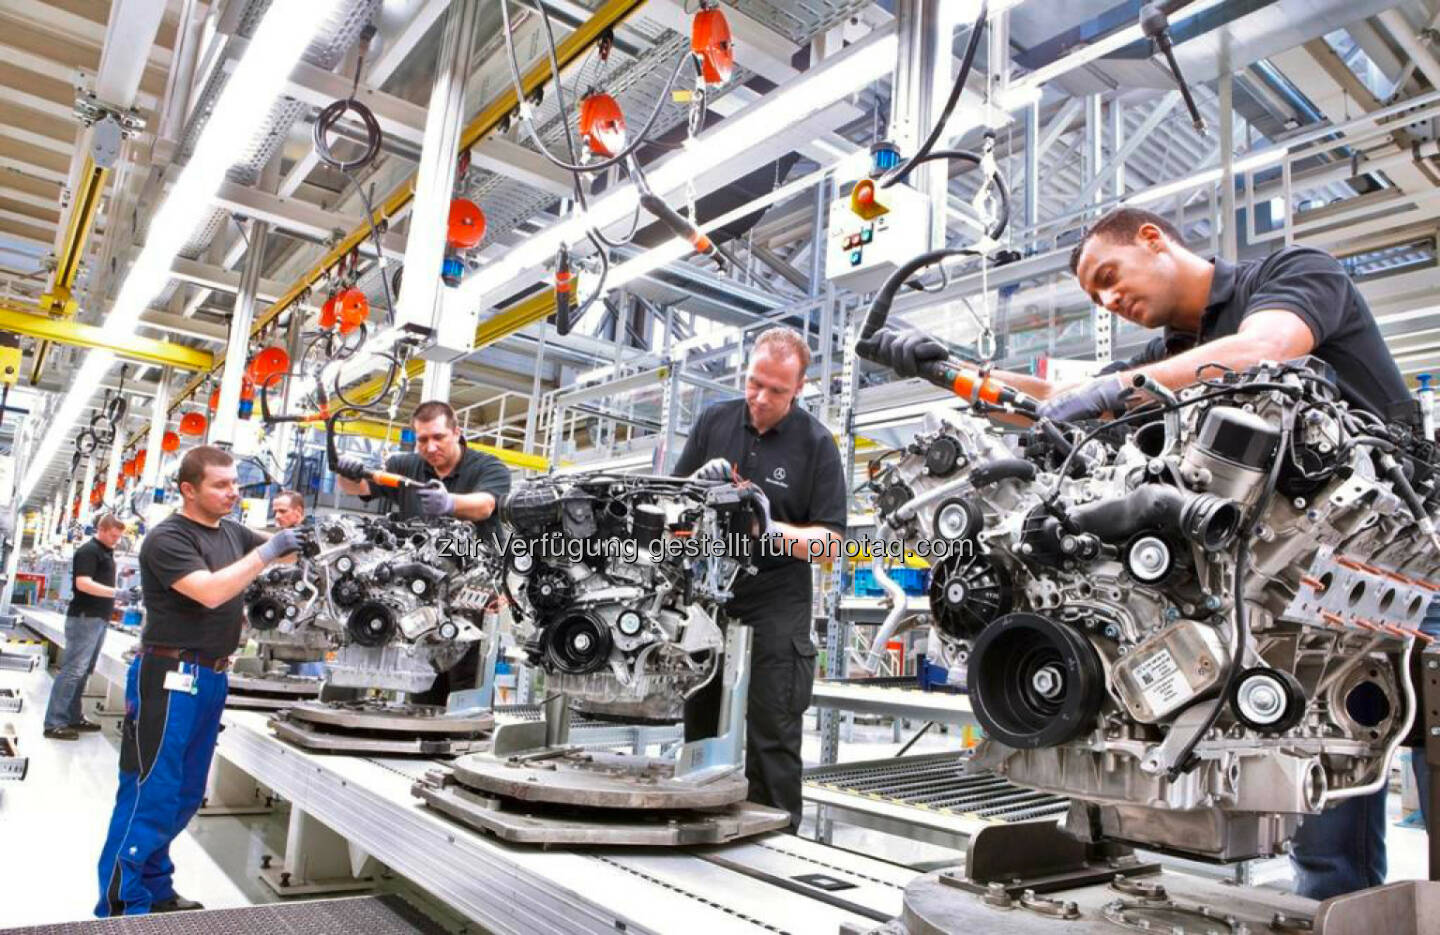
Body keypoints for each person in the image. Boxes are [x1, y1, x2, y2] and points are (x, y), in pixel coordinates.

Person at [860, 206, 1412, 900]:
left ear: (1153, 239)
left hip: (1386, 548)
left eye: (1109, 277)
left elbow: (1269, 347)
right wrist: (953, 371)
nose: (1109, 301)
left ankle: (1345, 904)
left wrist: (1115, 390)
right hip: (1273, 581)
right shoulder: (1167, 354)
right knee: (1304, 732)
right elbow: (1056, 402)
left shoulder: (1291, 273)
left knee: (1352, 765)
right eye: (1095, 297)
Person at [95, 446, 302, 916]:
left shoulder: (232, 531)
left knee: (185, 793)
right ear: (189, 490)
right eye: (221, 485)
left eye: (235, 484)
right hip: (169, 677)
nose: (233, 493)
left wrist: (307, 542)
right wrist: (267, 553)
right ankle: (121, 907)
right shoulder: (167, 538)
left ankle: (155, 888)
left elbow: (286, 553)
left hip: (211, 678)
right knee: (152, 791)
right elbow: (210, 592)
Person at [673, 326, 848, 832]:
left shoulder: (817, 444)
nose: (761, 398)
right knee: (701, 716)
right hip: (710, 595)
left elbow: (831, 542)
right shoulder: (714, 421)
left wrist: (768, 528)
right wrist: (692, 488)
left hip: (777, 597)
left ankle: (777, 845)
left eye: (777, 390)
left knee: (772, 728)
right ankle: (696, 825)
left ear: (799, 388)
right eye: (754, 383)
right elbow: (673, 505)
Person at [333, 400, 512, 705]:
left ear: (457, 433)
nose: (430, 447)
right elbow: (359, 488)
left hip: (473, 598)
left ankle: (461, 745)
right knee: (421, 684)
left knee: (465, 687)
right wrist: (345, 472)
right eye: (422, 439)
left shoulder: (487, 466)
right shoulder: (405, 467)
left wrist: (449, 503)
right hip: (420, 598)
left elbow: (486, 505)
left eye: (438, 437)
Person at [42, 514, 138, 740]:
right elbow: (83, 584)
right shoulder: (89, 551)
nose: (117, 540)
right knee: (73, 670)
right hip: (85, 618)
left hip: (98, 618)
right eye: (114, 535)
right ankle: (54, 722)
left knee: (84, 670)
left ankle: (73, 716)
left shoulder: (105, 552)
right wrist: (118, 592)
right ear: (102, 529)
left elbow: (98, 581)